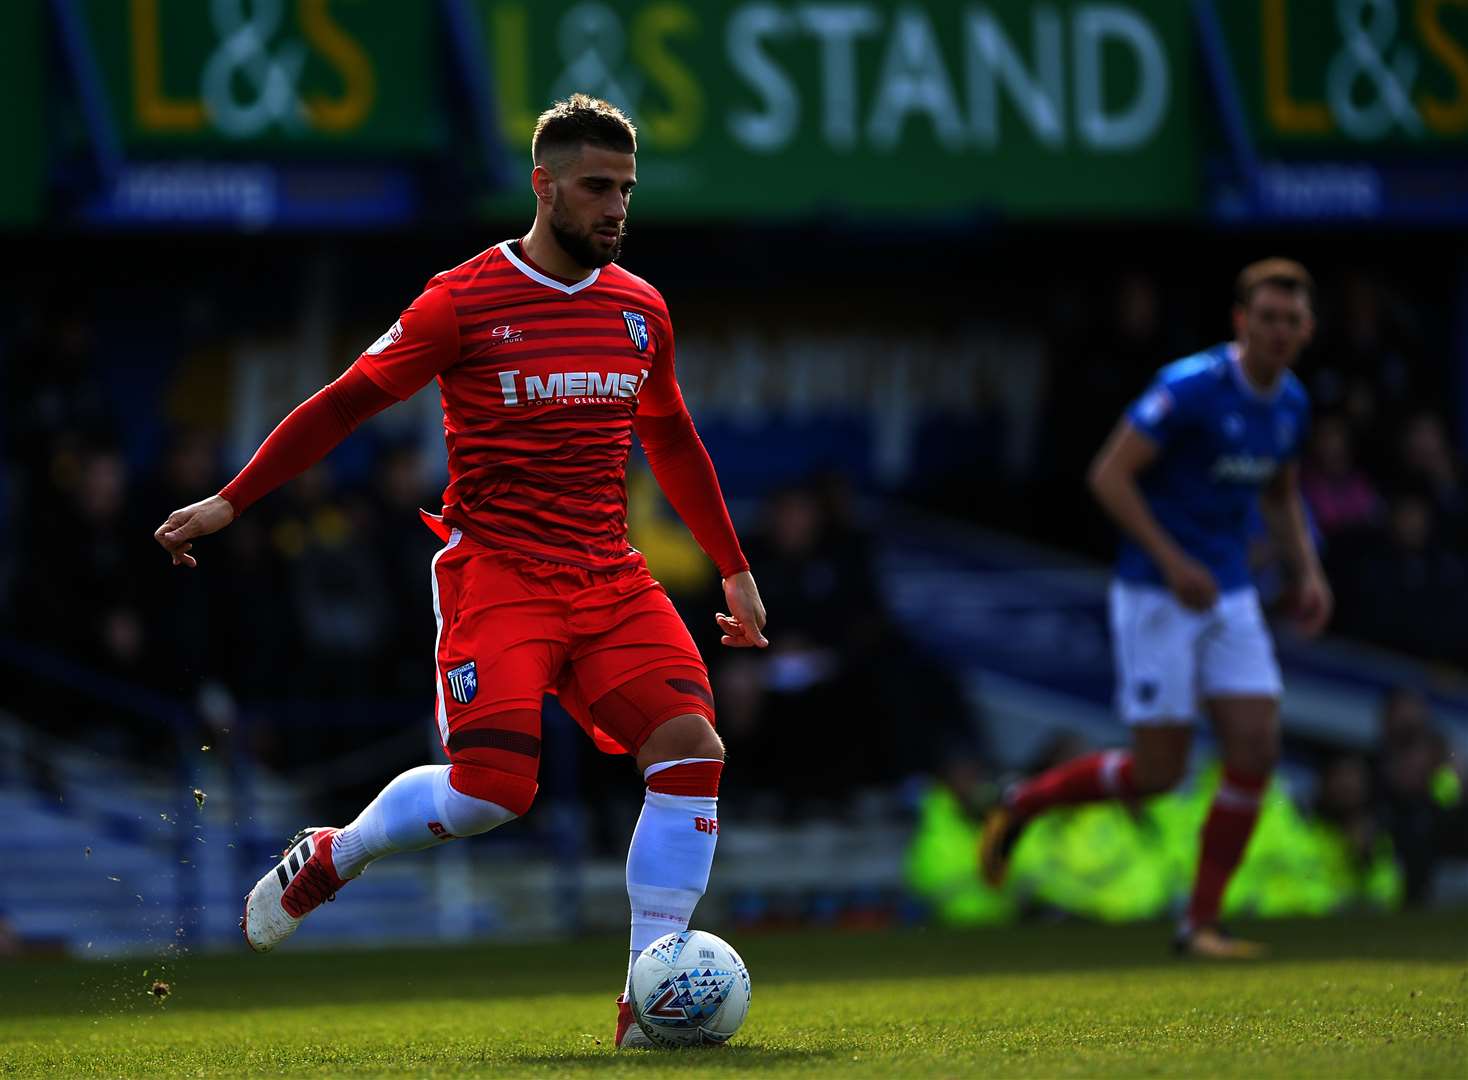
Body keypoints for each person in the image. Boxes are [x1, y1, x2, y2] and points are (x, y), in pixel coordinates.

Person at [153, 95, 768, 1048]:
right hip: (500, 577)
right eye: (596, 188)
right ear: (544, 186)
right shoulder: (462, 301)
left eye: (626, 191)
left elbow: (674, 438)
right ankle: (336, 851)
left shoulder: (641, 309)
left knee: (692, 748)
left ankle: (646, 1000)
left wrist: (732, 570)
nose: (615, 209)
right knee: (494, 793)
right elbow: (343, 403)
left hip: (610, 575)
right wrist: (233, 500)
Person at [980, 258, 1332, 959]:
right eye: (1266, 317)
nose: (1278, 331)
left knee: (1256, 747)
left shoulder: (1291, 403)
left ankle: (1200, 923)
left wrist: (1308, 571)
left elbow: (1281, 494)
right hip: (1154, 592)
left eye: (1291, 320)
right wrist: (1172, 561)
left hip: (1228, 592)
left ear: (1306, 329)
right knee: (1160, 773)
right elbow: (1108, 475)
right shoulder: (1189, 388)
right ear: (1241, 322)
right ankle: (1027, 801)